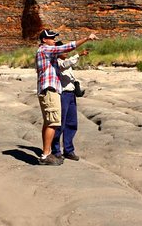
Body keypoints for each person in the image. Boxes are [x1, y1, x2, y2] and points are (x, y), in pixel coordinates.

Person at [35, 29, 97, 165]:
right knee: (55, 123)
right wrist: (87, 38)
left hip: (57, 91)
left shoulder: (49, 55)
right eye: (52, 38)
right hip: (51, 91)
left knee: (56, 122)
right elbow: (68, 48)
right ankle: (48, 154)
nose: (54, 41)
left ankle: (53, 152)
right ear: (44, 40)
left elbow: (66, 54)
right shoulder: (45, 50)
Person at [52, 42, 87, 161]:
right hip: (63, 95)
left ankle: (68, 150)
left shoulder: (64, 62)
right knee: (60, 124)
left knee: (71, 123)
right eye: (64, 51)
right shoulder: (57, 62)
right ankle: (55, 150)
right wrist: (78, 55)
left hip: (71, 95)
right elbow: (66, 64)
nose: (66, 53)